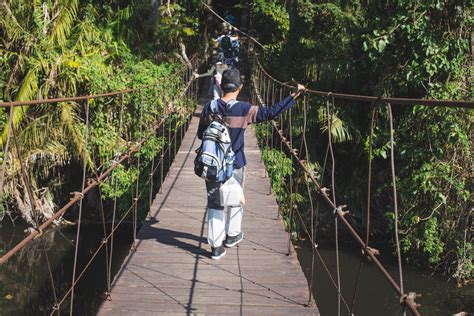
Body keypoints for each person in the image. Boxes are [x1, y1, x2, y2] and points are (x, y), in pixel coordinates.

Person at [197, 68, 306, 260]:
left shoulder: (210, 107)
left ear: (221, 86)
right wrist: (293, 96)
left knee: (215, 204)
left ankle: (216, 247)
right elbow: (270, 113)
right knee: (235, 198)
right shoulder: (245, 109)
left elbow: (200, 134)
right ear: (240, 87)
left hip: (212, 165)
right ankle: (232, 235)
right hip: (235, 164)